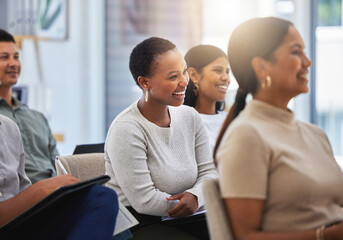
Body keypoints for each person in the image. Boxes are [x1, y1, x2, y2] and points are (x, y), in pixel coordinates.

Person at [214, 17, 343, 240]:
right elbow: (246, 236)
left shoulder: (315, 134)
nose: (308, 62)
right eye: (296, 52)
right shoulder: (246, 135)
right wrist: (326, 235)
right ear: (262, 67)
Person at [105, 37, 218, 239]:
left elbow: (209, 172)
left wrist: (195, 197)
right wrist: (188, 204)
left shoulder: (190, 116)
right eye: (173, 76)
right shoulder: (126, 129)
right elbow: (144, 200)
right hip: (137, 224)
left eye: (184, 71)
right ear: (144, 82)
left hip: (188, 216)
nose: (184, 81)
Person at [0, 113, 119, 240]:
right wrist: (39, 190)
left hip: (18, 223)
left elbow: (21, 190)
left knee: (101, 197)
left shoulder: (8, 127)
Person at [0, 29, 58, 183]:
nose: (13, 63)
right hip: (21, 197)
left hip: (57, 191)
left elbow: (58, 164)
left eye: (16, 57)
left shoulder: (37, 117)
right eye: (4, 57)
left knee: (102, 192)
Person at [183, 45, 230, 149]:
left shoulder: (231, 120)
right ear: (194, 75)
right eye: (218, 71)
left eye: (227, 72)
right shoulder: (182, 124)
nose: (226, 78)